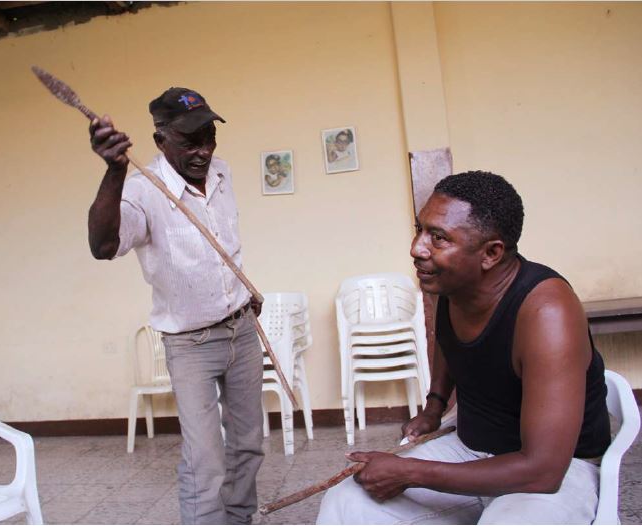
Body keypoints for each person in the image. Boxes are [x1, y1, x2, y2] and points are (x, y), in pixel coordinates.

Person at [317, 171, 611, 525]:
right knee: (347, 502)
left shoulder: (546, 313)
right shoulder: (451, 288)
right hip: (472, 450)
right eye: (420, 229)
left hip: (559, 471)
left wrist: (410, 470)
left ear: (491, 253)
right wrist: (434, 406)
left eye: (438, 238)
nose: (417, 248)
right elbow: (450, 344)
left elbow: (542, 471)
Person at [87, 87, 264, 524]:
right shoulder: (142, 191)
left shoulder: (222, 173)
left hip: (243, 329)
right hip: (190, 343)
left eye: (209, 137)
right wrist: (113, 170)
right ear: (160, 139)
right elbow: (102, 245)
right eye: (190, 141)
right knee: (205, 459)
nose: (203, 151)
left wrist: (244, 294)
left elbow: (222, 250)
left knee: (248, 445)